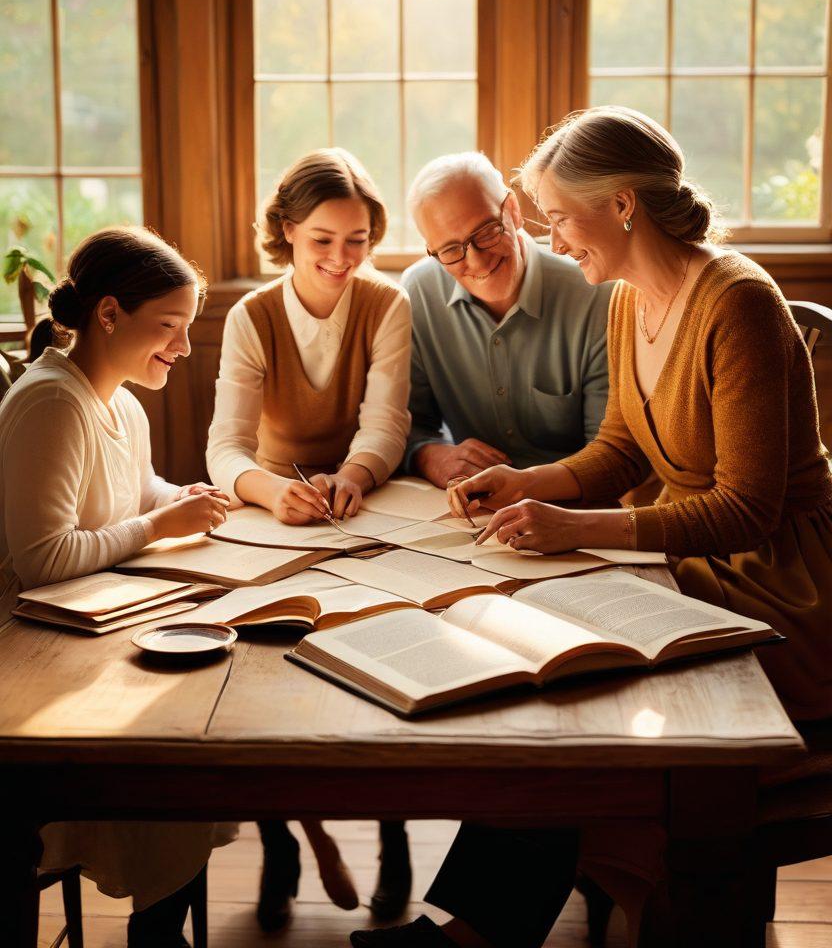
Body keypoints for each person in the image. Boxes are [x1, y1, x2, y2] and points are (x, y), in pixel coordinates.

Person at [350, 105, 832, 948]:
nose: (550, 238)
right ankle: (486, 924)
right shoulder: (621, 298)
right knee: (546, 657)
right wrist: (524, 483)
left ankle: (489, 927)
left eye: (557, 216)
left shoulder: (740, 302)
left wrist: (578, 532)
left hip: (782, 580)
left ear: (621, 205)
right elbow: (619, 447)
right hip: (692, 557)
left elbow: (748, 508)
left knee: (574, 679)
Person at [0, 226, 234, 948]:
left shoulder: (122, 403)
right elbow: (42, 556)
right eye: (170, 328)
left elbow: (134, 494)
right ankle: (156, 931)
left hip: (91, 621)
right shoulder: (51, 402)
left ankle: (160, 925)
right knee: (160, 767)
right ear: (108, 315)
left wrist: (179, 495)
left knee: (188, 739)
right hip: (29, 646)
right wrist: (161, 527)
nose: (185, 348)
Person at [206, 147, 413, 929]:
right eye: (323, 238)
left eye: (357, 240)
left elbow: (387, 423)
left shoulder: (387, 304)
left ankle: (394, 838)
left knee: (385, 652)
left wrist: (354, 477)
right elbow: (222, 448)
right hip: (271, 508)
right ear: (287, 231)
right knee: (265, 678)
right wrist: (270, 490)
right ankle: (280, 842)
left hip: (367, 499)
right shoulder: (250, 316)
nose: (340, 258)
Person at [402, 152, 611, 488]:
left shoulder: (596, 296)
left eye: (485, 232)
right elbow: (409, 424)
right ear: (432, 250)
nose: (477, 261)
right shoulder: (419, 292)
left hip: (572, 507)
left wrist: (522, 491)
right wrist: (431, 456)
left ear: (513, 211)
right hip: (469, 509)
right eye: (451, 250)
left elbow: (608, 455)